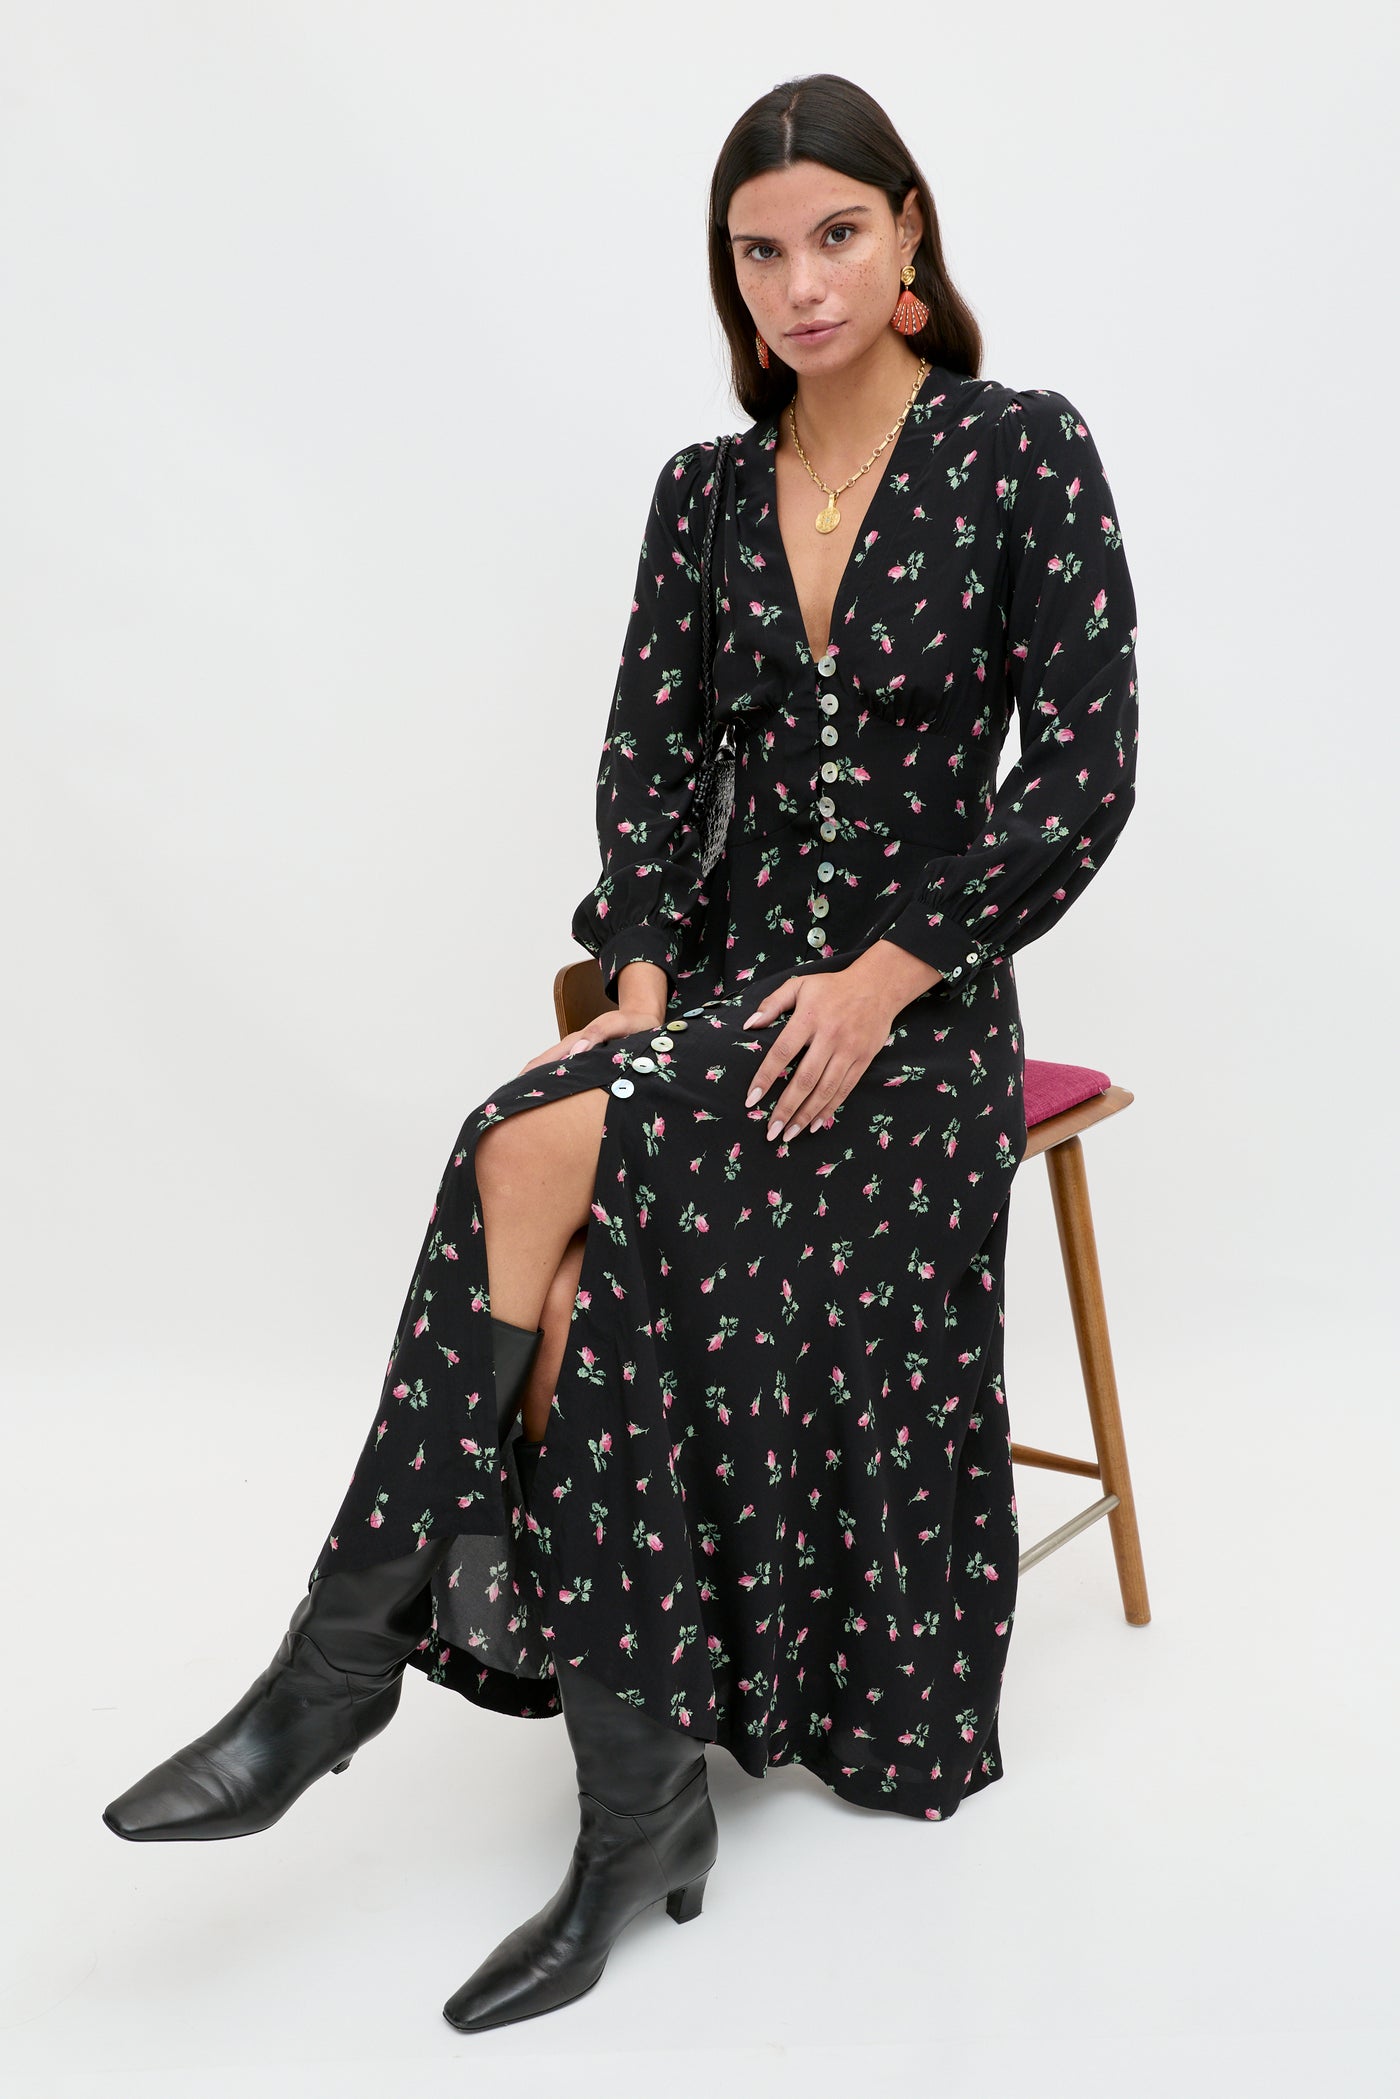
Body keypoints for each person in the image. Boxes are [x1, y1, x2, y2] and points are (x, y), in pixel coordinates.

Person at [102, 71, 1140, 2034]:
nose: (800, 282)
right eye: (761, 250)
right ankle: (623, 1800)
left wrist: (888, 972)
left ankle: (348, 1679)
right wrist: (649, 982)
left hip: (911, 1033)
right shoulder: (703, 493)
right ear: (729, 275)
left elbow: (1080, 779)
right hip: (729, 1009)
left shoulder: (1021, 453)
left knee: (519, 1161)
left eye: (836, 234)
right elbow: (650, 773)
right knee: (560, 1229)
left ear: (909, 234)